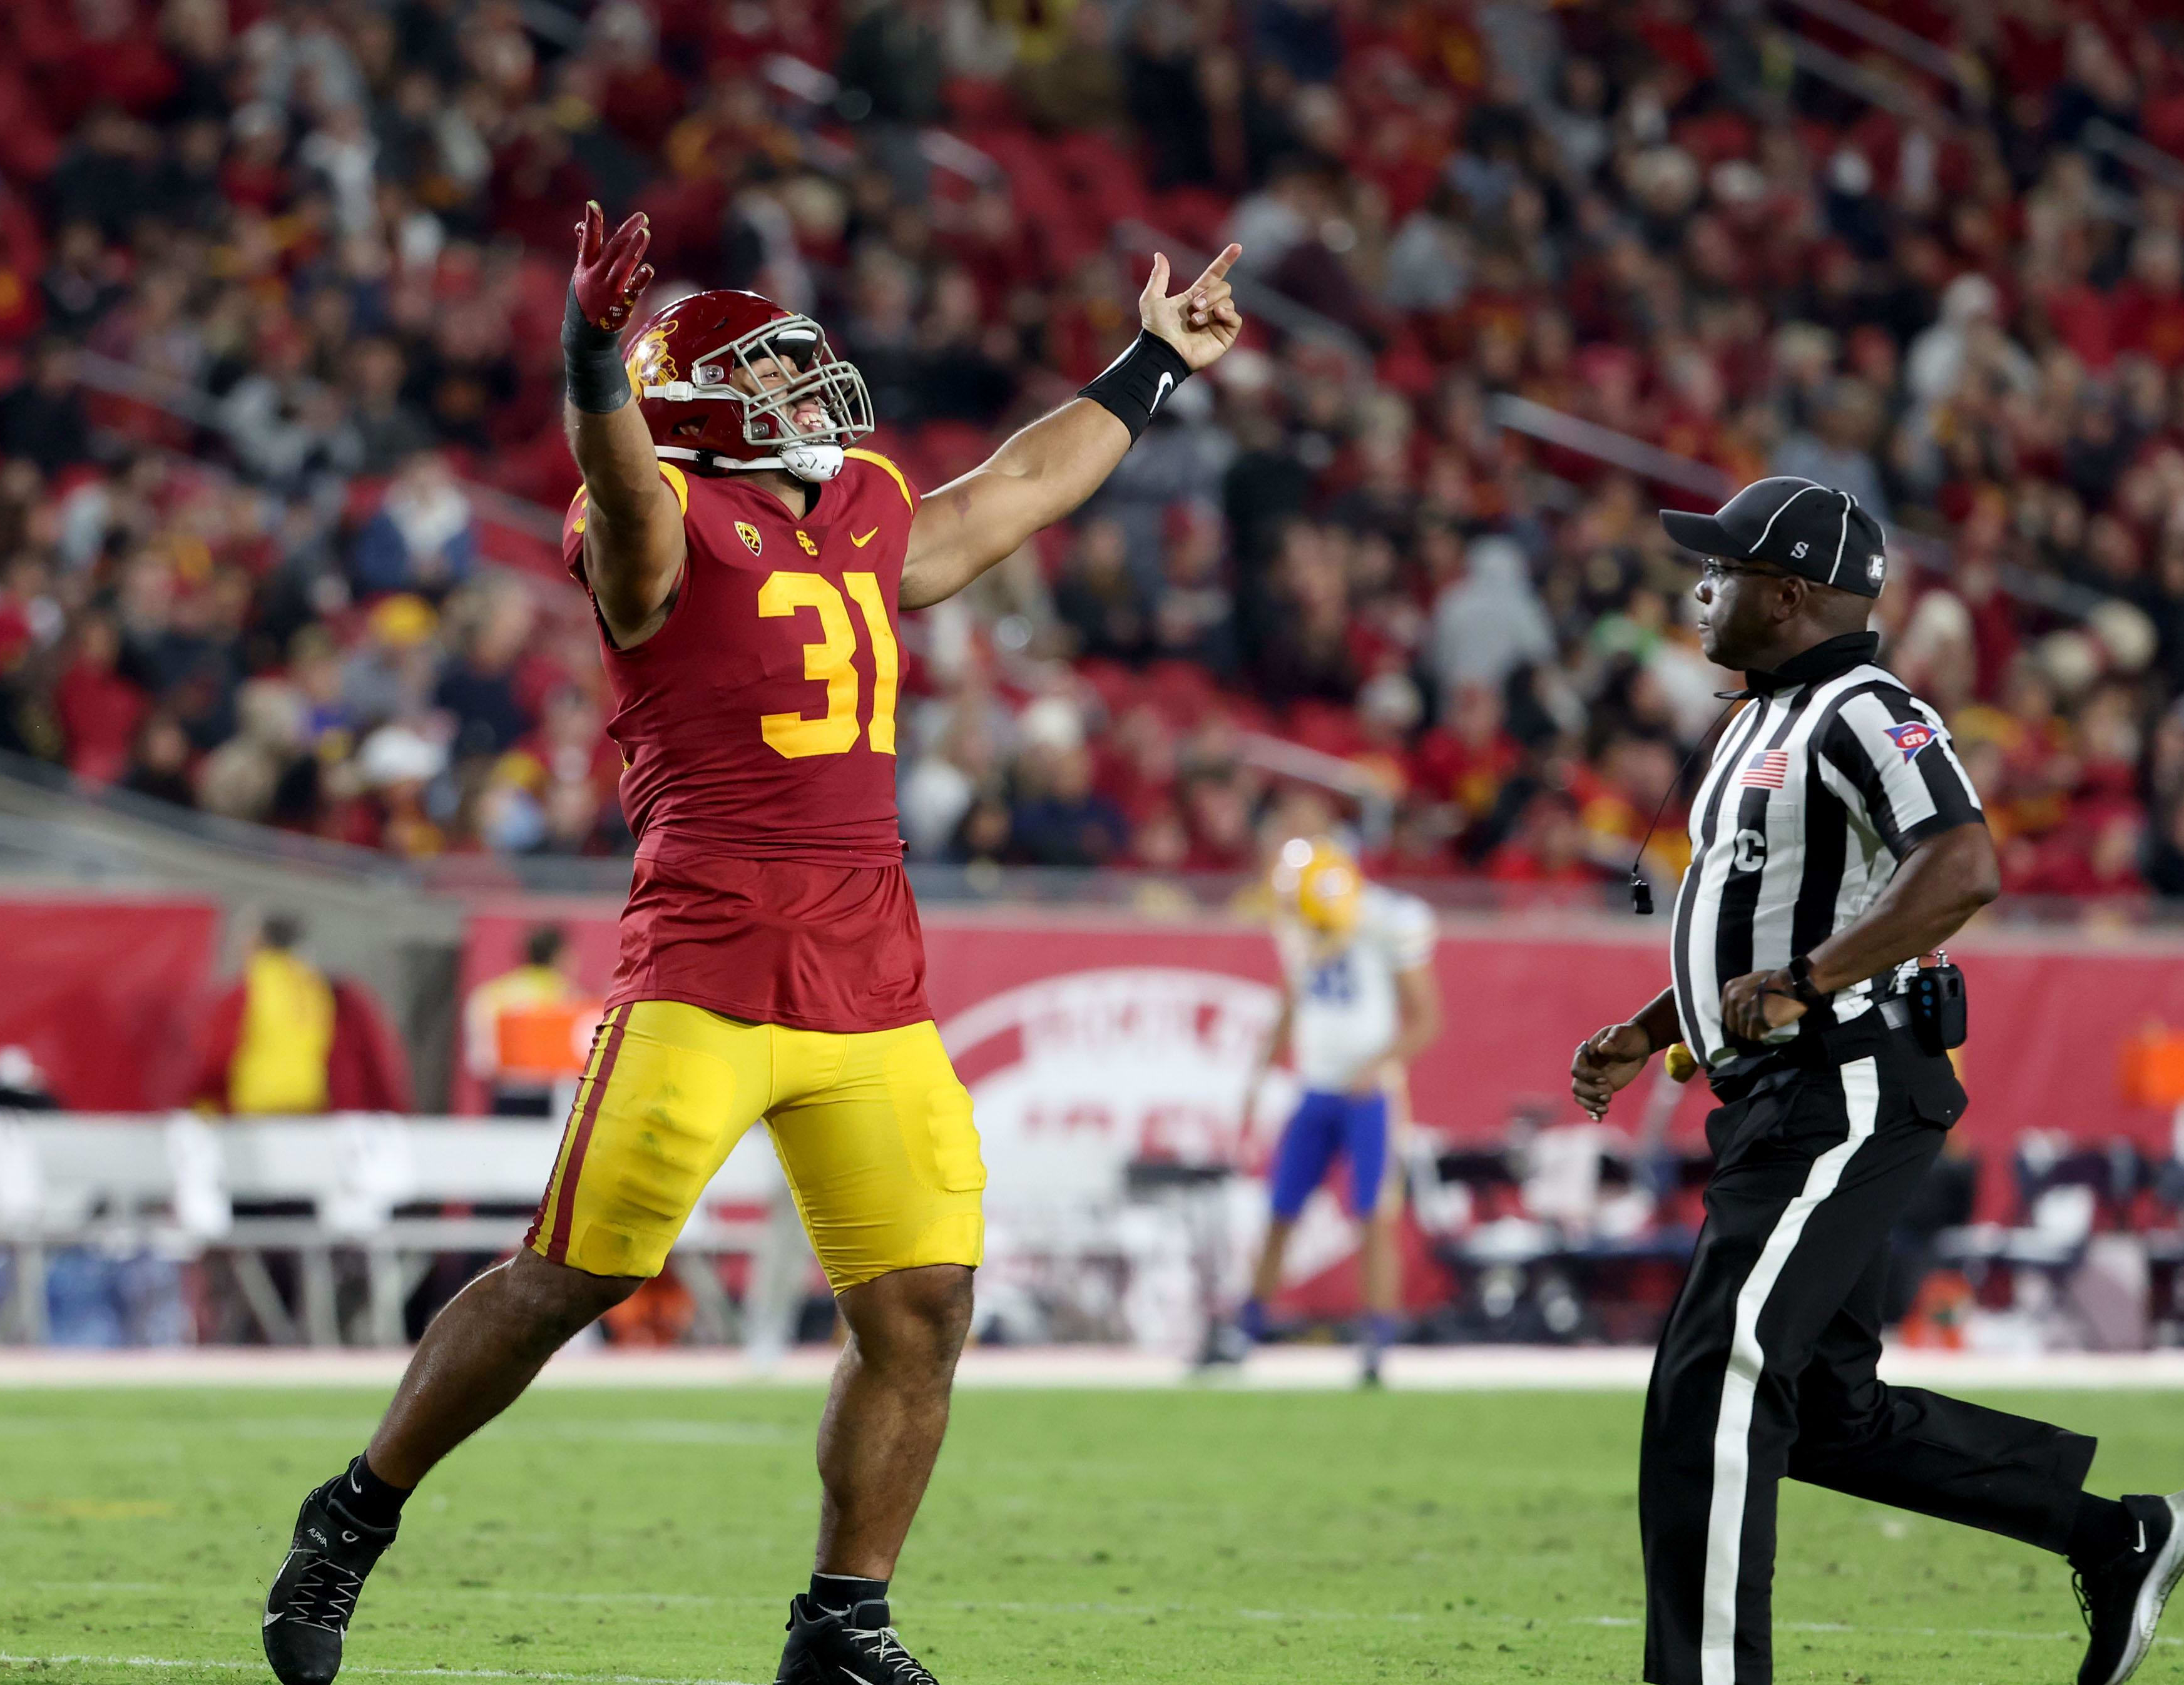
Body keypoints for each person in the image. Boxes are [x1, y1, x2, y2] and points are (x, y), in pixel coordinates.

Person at [258, 200, 1245, 1685]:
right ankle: (355, 1508)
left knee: (921, 1307)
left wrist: (1147, 367)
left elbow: (1017, 490)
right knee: (571, 1273)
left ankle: (843, 1618)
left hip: (870, 974)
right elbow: (622, 488)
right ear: (703, 409)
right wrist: (593, 355)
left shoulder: (857, 505)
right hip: (707, 964)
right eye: (773, 380)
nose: (807, 396)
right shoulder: (653, 513)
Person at [1569, 477, 2184, 1685]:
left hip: (1843, 1079)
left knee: (1717, 1376)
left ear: (1790, 593)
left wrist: (1805, 979)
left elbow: (1960, 862)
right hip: (1778, 1088)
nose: (1702, 589)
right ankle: (2113, 1537)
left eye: (1728, 570)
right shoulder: (1760, 717)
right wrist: (1658, 1025)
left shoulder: (1862, 707)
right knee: (1820, 1409)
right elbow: (1751, 915)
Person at [1207, 835, 1439, 1384]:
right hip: (1315, 1088)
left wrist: (1377, 1065)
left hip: (1370, 1094)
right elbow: (1292, 999)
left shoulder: (1382, 924)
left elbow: (1427, 1019)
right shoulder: (1297, 925)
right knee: (1280, 1208)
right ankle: (1248, 1328)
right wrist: (1259, 1072)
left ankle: (1377, 1339)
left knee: (1373, 1215)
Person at [200, 910, 411, 1116]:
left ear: (258, 941)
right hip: (309, 1103)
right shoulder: (320, 987)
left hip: (257, 1103)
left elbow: (218, 1050)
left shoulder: (252, 986)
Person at [458, 925, 596, 1117]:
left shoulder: (493, 994)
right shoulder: (568, 999)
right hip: (552, 1097)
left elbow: (480, 1059)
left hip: (506, 1093)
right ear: (560, 956)